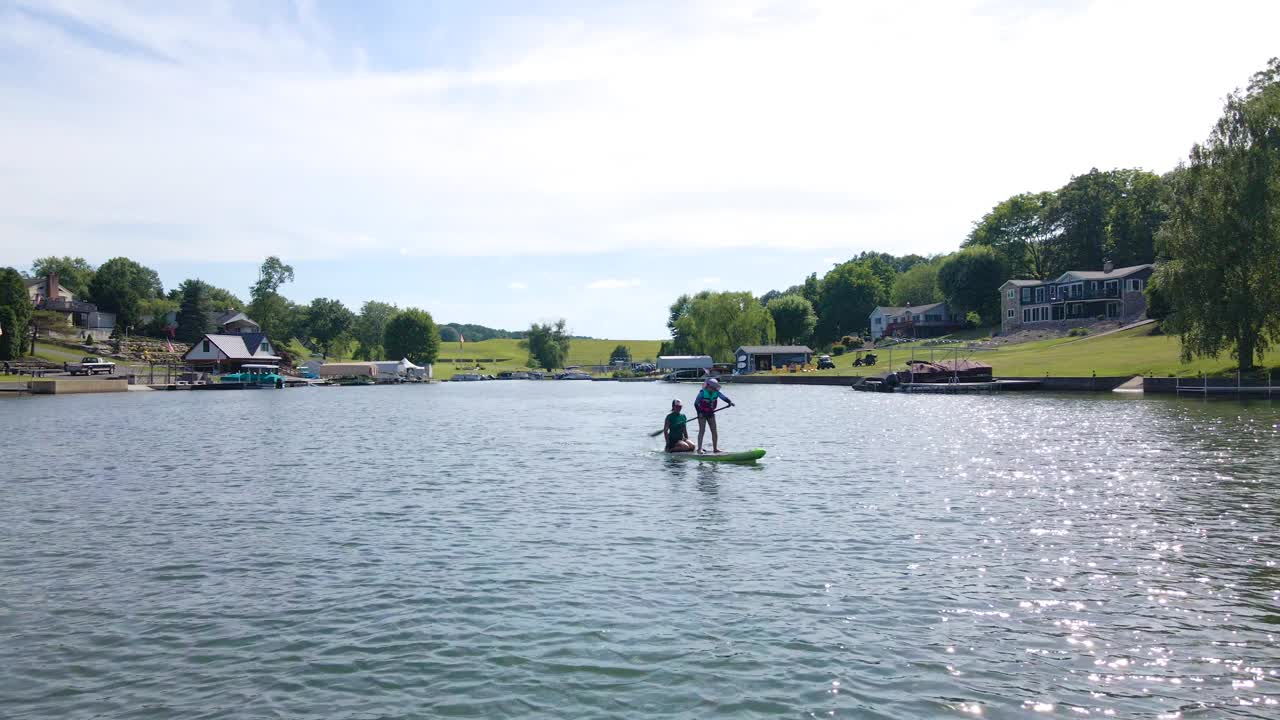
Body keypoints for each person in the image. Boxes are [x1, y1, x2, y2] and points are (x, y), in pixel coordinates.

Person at [694, 377, 734, 453]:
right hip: (702, 414)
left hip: (711, 413)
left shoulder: (716, 392)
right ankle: (699, 449)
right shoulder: (702, 393)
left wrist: (729, 402)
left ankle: (715, 449)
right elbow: (696, 404)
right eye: (713, 387)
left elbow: (724, 398)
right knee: (702, 430)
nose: (714, 389)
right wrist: (699, 413)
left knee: (714, 431)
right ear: (708, 386)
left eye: (715, 387)